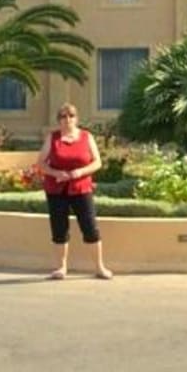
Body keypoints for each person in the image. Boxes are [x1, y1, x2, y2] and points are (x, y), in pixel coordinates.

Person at [36, 102, 113, 280]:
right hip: (57, 190)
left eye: (71, 116)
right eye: (63, 116)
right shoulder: (53, 138)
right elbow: (41, 163)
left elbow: (97, 162)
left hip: (81, 188)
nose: (67, 119)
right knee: (59, 229)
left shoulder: (86, 137)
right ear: (59, 120)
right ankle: (61, 267)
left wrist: (80, 172)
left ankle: (99, 267)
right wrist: (56, 173)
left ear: (76, 119)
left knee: (90, 228)